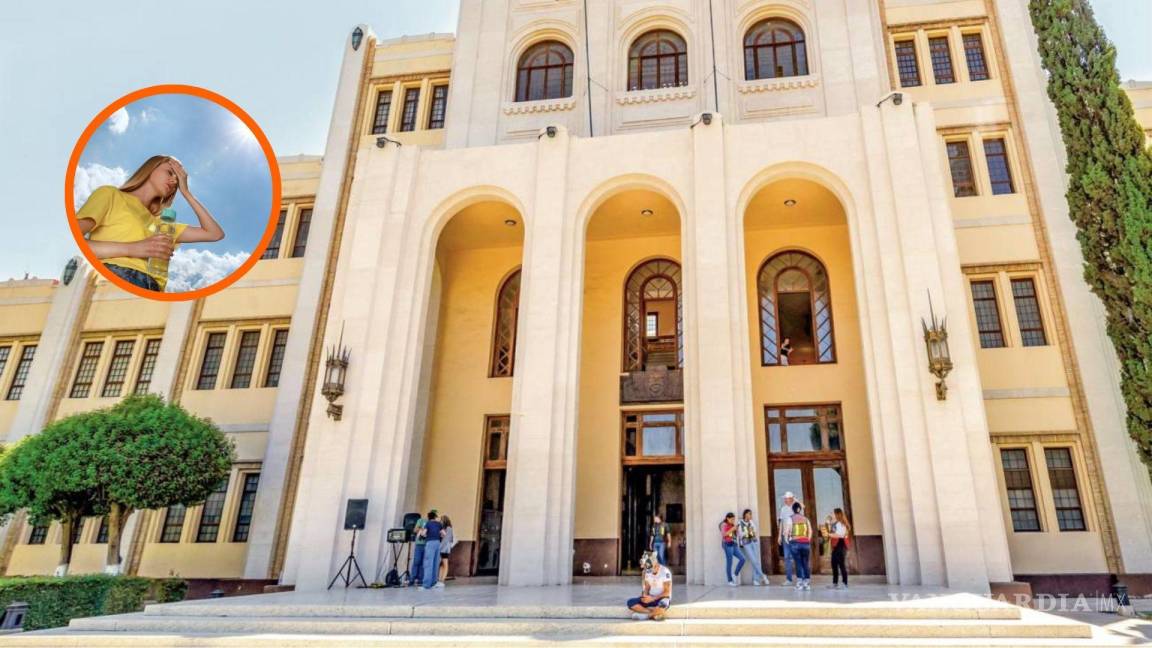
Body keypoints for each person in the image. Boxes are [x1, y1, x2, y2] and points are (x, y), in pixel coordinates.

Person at [76, 156, 225, 292]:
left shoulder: (164, 225)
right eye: (170, 172)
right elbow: (73, 242)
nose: (174, 181)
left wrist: (186, 193)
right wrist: (133, 248)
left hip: (153, 289)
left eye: (178, 181)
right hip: (113, 277)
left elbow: (214, 233)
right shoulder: (111, 195)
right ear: (151, 169)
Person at [626, 551, 672, 621]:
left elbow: (667, 592)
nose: (647, 568)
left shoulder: (665, 572)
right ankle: (652, 614)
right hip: (650, 597)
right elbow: (647, 588)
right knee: (630, 602)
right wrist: (645, 596)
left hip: (661, 598)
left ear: (655, 563)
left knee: (663, 605)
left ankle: (646, 616)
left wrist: (653, 598)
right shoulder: (648, 571)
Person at [784, 501, 813, 590]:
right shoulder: (806, 519)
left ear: (793, 510)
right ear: (800, 509)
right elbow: (810, 531)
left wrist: (787, 539)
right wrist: (808, 539)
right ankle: (807, 583)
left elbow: (787, 531)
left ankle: (799, 583)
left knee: (798, 563)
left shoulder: (790, 518)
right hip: (805, 543)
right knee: (805, 563)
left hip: (795, 542)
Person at [737, 509, 769, 586]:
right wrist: (748, 531)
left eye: (751, 514)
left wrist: (749, 531)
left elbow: (755, 531)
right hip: (746, 543)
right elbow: (740, 534)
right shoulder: (740, 522)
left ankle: (756, 579)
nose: (750, 515)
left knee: (756, 561)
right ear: (745, 515)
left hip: (754, 542)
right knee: (753, 560)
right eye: (749, 514)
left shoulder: (751, 522)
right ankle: (763, 576)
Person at [418, 510, 446, 590]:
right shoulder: (439, 524)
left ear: (428, 517)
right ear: (435, 517)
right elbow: (444, 534)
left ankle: (426, 584)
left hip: (430, 543)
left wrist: (424, 534)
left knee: (428, 563)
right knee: (435, 563)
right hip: (438, 543)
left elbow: (423, 533)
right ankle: (434, 583)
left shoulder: (428, 523)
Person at [827, 508, 851, 589]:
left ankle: (845, 583)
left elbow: (840, 535)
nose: (830, 514)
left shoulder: (840, 524)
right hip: (836, 545)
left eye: (832, 513)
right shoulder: (835, 523)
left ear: (837, 514)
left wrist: (829, 535)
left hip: (841, 544)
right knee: (834, 564)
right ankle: (835, 583)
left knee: (841, 564)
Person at [777, 492, 798, 584]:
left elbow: (803, 507)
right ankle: (789, 579)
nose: (785, 500)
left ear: (791, 499)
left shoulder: (796, 508)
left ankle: (800, 578)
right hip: (784, 535)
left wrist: (796, 500)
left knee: (797, 557)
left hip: (794, 535)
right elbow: (781, 522)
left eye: (787, 498)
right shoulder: (783, 509)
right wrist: (779, 535)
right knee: (786, 557)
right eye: (784, 498)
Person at [720, 512, 744, 586]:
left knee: (742, 559)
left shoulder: (733, 525)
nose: (733, 520)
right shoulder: (724, 524)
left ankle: (735, 574)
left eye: (734, 519)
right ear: (727, 518)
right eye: (732, 519)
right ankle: (730, 581)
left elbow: (736, 535)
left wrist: (738, 530)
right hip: (727, 544)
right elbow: (724, 534)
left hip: (734, 544)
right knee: (729, 562)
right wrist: (732, 529)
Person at [411, 512, 430, 586]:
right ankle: (412, 578)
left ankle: (420, 579)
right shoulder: (421, 521)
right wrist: (422, 529)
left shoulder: (431, 523)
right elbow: (415, 530)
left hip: (427, 544)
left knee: (423, 562)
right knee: (417, 561)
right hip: (419, 544)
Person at [437, 515, 456, 587]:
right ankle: (439, 579)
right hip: (441, 547)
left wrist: (440, 547)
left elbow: (447, 539)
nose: (440, 521)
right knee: (441, 564)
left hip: (444, 548)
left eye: (442, 520)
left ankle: (442, 580)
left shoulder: (449, 528)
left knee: (445, 564)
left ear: (445, 521)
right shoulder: (442, 528)